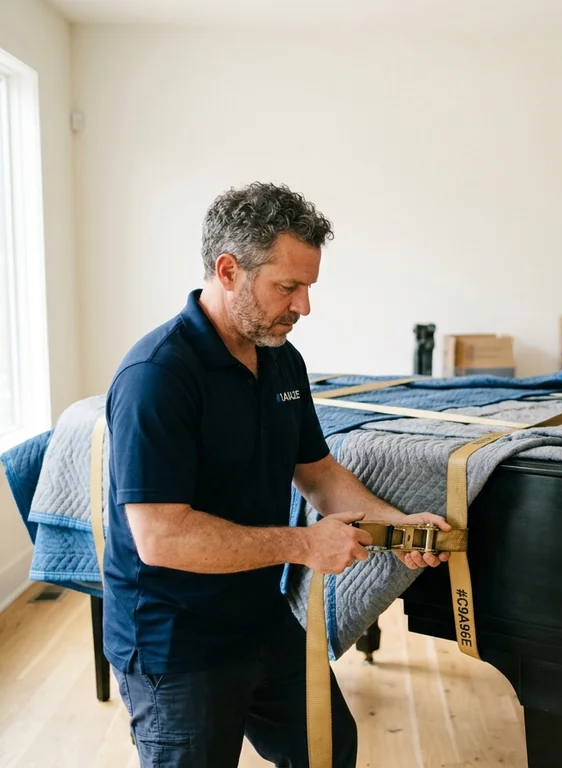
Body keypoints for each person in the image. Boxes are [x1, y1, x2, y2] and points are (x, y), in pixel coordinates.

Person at [102, 181, 449, 768]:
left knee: (328, 751)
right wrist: (305, 544)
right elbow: (161, 537)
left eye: (308, 288)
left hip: (259, 619)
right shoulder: (156, 376)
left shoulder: (282, 359)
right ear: (229, 270)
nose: (303, 307)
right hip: (174, 641)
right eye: (287, 287)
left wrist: (396, 524)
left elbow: (316, 472)